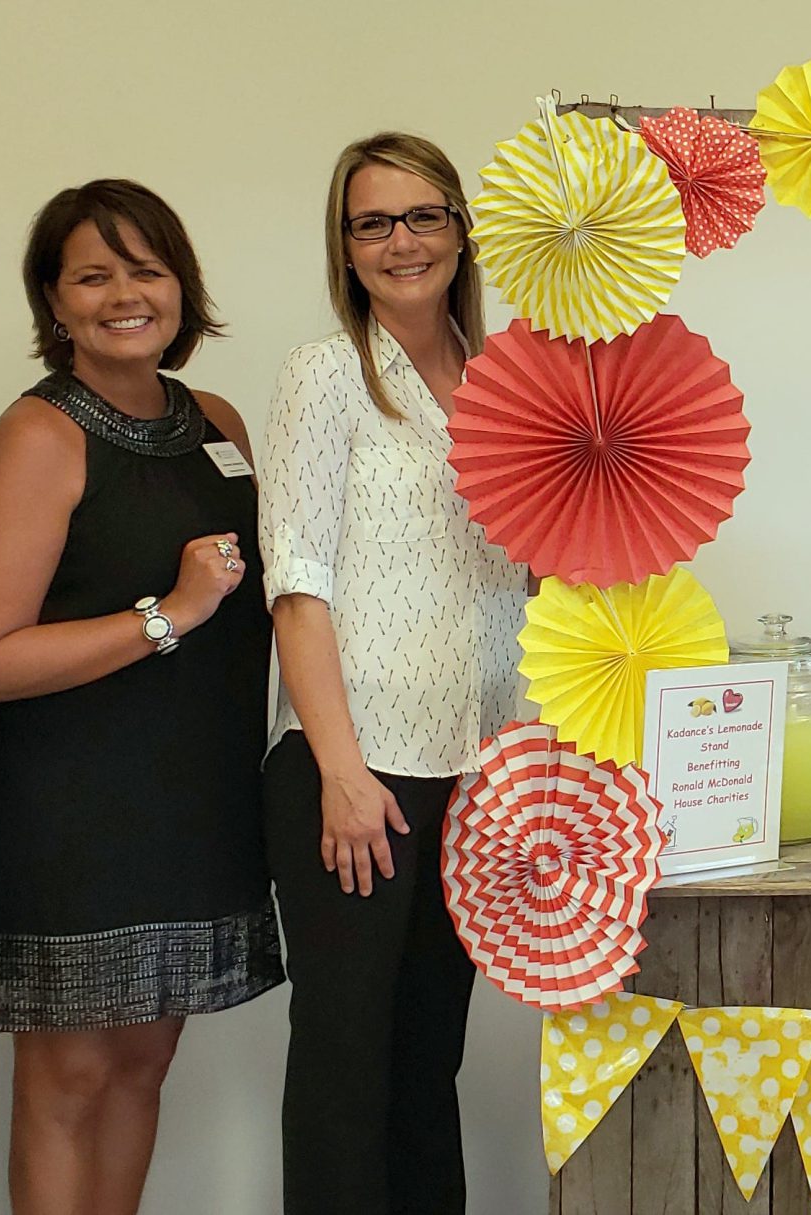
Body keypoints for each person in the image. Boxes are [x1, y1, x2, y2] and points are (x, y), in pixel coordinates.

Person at [0, 179, 280, 1215]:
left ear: (181, 285)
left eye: (146, 269)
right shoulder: (39, 436)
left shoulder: (214, 422)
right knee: (67, 1083)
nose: (124, 294)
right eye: (93, 275)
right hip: (70, 818)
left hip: (195, 806)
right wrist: (167, 615)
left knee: (142, 1067)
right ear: (55, 303)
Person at [259, 131, 529, 1214]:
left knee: (428, 1059)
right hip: (356, 770)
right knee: (342, 1065)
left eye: (422, 216)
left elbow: (529, 577)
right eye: (372, 221)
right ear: (345, 246)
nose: (400, 240)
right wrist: (339, 770)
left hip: (477, 769)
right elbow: (298, 584)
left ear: (462, 231)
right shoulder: (325, 377)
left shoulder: (514, 386)